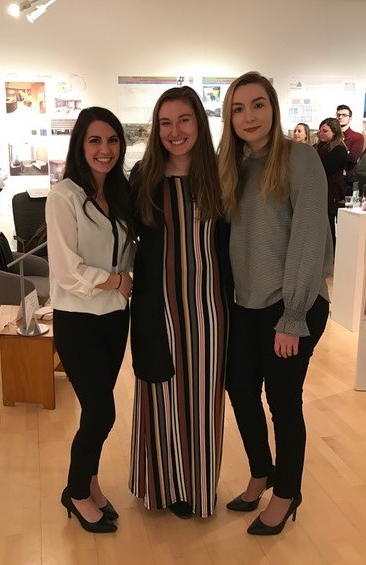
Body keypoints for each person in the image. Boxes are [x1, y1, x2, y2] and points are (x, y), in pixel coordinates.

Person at [217, 71, 333, 536]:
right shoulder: (234, 165)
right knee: (240, 388)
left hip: (292, 305)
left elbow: (308, 238)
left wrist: (293, 316)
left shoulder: (300, 158)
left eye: (258, 104)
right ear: (229, 116)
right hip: (247, 305)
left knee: (284, 402)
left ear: (273, 108)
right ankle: (261, 471)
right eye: (238, 108)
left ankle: (287, 492)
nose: (249, 116)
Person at [128, 86, 231, 519]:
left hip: (212, 311)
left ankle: (195, 487)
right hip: (159, 308)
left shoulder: (224, 176)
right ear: (157, 128)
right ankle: (159, 487)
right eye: (166, 122)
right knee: (161, 396)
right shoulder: (143, 177)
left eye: (184, 120)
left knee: (204, 402)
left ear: (198, 123)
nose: (175, 131)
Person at [46, 107, 136, 533]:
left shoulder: (119, 194)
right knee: (102, 413)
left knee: (93, 411)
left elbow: (130, 251)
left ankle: (92, 482)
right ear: (80, 145)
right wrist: (116, 279)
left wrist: (127, 280)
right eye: (95, 141)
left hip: (115, 320)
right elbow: (67, 270)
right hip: (78, 320)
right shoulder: (64, 195)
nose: (105, 150)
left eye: (112, 140)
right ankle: (76, 491)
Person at [314, 117, 348, 251]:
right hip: (319, 190)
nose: (321, 133)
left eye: (325, 131)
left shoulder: (339, 150)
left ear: (334, 132)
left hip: (331, 191)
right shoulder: (317, 148)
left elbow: (323, 168)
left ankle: (331, 252)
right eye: (320, 131)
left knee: (328, 222)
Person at [336, 104, 364, 195]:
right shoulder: (332, 136)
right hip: (333, 177)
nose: (340, 117)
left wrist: (334, 155)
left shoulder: (357, 137)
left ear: (350, 118)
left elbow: (353, 158)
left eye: (344, 115)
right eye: (338, 115)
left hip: (348, 179)